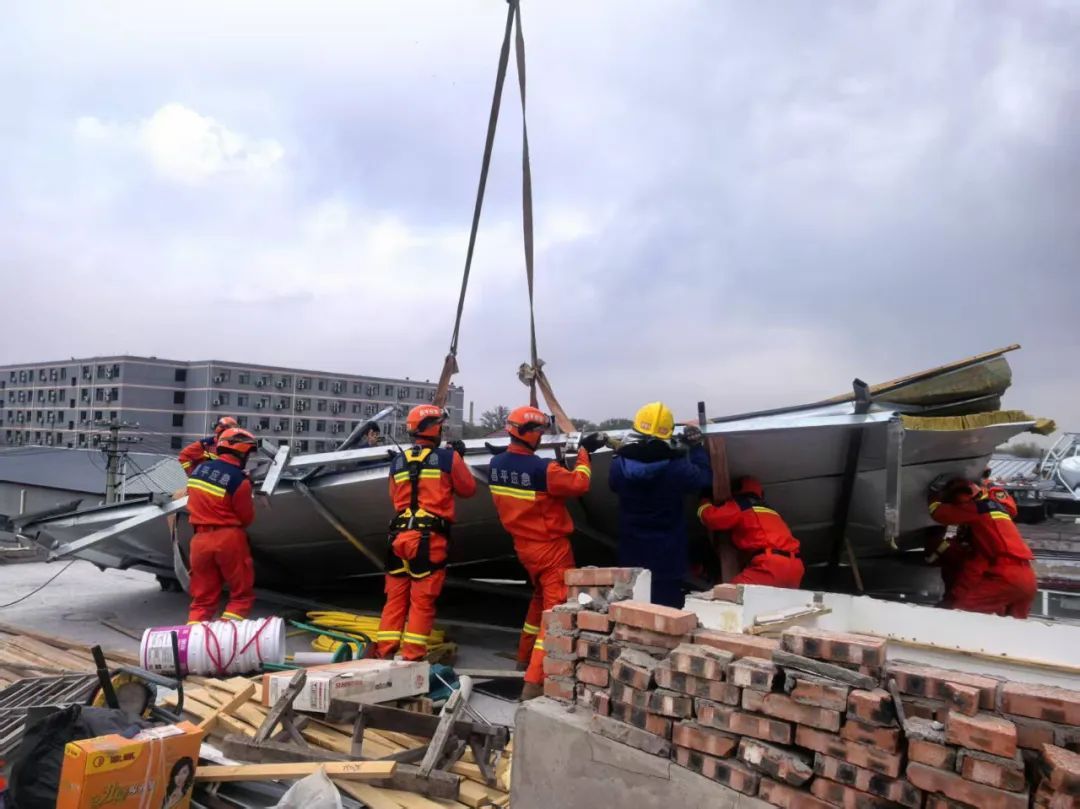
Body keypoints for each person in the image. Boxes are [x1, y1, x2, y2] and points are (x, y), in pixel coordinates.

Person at [487, 406, 605, 699]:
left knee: (538, 602)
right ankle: (533, 682)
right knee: (554, 614)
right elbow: (580, 482)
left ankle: (523, 658)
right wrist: (584, 455)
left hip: (524, 547)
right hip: (551, 550)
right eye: (540, 432)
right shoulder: (543, 471)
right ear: (533, 434)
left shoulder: (496, 465)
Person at [374, 405, 476, 661]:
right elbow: (468, 489)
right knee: (421, 603)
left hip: (397, 540)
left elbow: (393, 496)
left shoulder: (397, 461)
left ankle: (382, 654)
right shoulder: (448, 459)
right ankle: (411, 659)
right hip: (428, 542)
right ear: (434, 427)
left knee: (394, 601)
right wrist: (459, 459)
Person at [608, 401, 712, 607]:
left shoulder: (618, 466)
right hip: (668, 558)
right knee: (666, 616)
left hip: (632, 555)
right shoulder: (677, 468)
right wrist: (696, 448)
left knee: (634, 613)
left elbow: (615, 484)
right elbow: (704, 479)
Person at [928, 477, 1035, 618]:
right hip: (1028, 577)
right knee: (1014, 631)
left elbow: (940, 513)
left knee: (959, 616)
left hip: (1007, 575)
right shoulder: (1000, 510)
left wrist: (933, 496)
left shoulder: (976, 509)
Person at [185, 427, 258, 623]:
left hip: (199, 542)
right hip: (228, 539)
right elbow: (246, 518)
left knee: (202, 600)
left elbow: (185, 458)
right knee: (241, 597)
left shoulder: (198, 471)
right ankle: (222, 644)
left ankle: (195, 646)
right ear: (242, 451)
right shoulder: (239, 481)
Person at [697, 476, 804, 588]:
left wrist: (705, 500)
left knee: (728, 596)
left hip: (771, 564)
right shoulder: (772, 512)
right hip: (795, 567)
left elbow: (711, 518)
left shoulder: (744, 504)